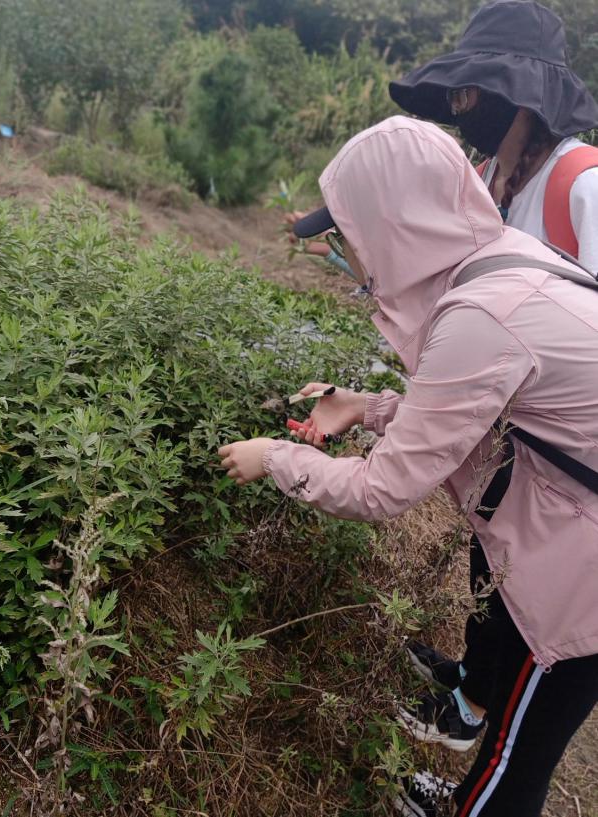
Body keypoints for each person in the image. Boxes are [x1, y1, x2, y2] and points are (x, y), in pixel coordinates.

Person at [218, 115, 598, 816]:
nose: (344, 254)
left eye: (347, 235)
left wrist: (274, 457)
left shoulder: (484, 313)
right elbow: (479, 419)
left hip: (585, 574)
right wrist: (363, 406)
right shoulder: (499, 260)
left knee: (518, 752)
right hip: (572, 527)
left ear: (391, 227)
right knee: (511, 728)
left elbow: (383, 488)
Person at [389, 0, 598, 273]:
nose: (456, 110)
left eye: (463, 95)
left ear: (517, 92)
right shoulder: (479, 182)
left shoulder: (584, 185)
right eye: (453, 98)